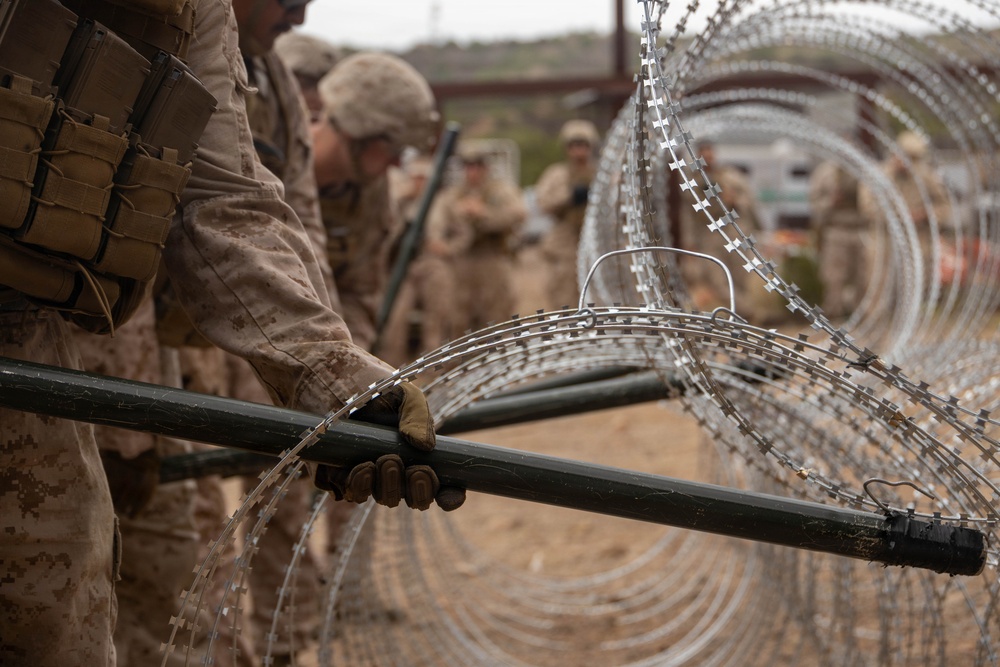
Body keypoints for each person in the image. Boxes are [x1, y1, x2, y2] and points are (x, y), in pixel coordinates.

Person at [0, 3, 461, 666]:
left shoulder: (196, 17)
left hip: (28, 331)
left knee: (51, 610)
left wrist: (335, 380)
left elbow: (220, 202)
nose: (297, 14)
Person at [312, 51, 437, 351]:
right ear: (358, 130)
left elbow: (358, 295)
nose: (396, 163)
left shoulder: (374, 195)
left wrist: (351, 377)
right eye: (393, 147)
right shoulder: (269, 168)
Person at [429, 143, 527, 332]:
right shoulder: (454, 194)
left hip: (492, 257)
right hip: (463, 261)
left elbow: (519, 213)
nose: (473, 171)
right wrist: (443, 239)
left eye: (477, 166)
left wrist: (485, 213)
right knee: (459, 317)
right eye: (469, 166)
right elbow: (438, 221)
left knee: (496, 316)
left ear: (485, 168)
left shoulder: (499, 191)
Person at [380, 154, 463, 366]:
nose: (419, 182)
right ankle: (391, 367)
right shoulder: (401, 202)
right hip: (405, 266)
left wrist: (448, 248)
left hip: (434, 263)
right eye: (415, 177)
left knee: (436, 319)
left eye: (423, 178)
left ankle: (434, 367)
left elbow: (463, 233)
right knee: (396, 317)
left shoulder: (443, 202)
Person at [678, 139, 761, 315]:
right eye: (703, 153)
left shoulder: (728, 176)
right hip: (708, 235)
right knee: (716, 279)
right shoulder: (692, 183)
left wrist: (734, 200)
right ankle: (746, 312)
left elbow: (749, 202)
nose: (707, 157)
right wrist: (689, 240)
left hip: (732, 231)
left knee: (739, 275)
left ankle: (743, 313)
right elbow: (688, 214)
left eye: (710, 152)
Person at [535, 119, 600, 310]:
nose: (579, 151)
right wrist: (569, 196)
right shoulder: (557, 174)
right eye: (574, 145)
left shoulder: (601, 173)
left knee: (597, 298)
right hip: (565, 243)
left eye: (583, 145)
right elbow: (543, 202)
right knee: (565, 300)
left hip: (595, 242)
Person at [809, 159, 869, 319]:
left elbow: (872, 202)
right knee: (834, 277)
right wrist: (831, 201)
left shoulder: (864, 172)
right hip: (836, 229)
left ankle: (858, 315)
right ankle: (833, 313)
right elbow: (814, 202)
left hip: (860, 229)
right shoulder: (826, 173)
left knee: (862, 276)